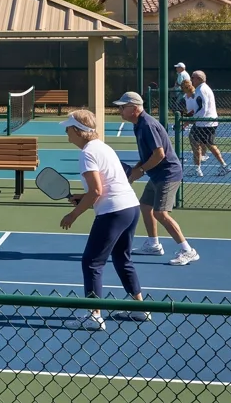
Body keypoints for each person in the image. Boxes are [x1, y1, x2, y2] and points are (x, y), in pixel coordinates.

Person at [57, 110, 148, 331]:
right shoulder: (103, 147)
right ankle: (139, 307)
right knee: (121, 258)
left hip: (114, 212)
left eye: (68, 128)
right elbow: (107, 183)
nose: (66, 133)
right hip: (130, 208)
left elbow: (96, 191)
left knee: (91, 262)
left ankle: (94, 315)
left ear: (78, 131)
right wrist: (82, 197)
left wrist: (74, 214)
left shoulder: (87, 153)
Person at [113, 91, 200, 266]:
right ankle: (153, 244)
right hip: (156, 174)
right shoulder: (138, 124)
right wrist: (136, 171)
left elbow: (159, 154)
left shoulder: (147, 125)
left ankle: (188, 250)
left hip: (168, 174)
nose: (120, 110)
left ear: (135, 108)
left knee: (160, 213)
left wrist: (141, 170)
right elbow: (148, 155)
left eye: (123, 107)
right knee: (146, 207)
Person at [191, 71, 230, 176]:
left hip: (204, 123)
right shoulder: (202, 89)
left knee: (198, 143)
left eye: (193, 78)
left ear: (199, 79)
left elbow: (202, 108)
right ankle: (222, 165)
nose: (191, 80)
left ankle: (198, 169)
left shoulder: (201, 90)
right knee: (207, 144)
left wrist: (191, 119)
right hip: (207, 122)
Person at [177, 79, 202, 173]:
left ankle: (198, 168)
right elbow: (190, 112)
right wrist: (186, 123)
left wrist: (186, 123)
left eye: (183, 87)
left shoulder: (195, 95)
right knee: (196, 144)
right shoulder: (185, 97)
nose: (181, 89)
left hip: (200, 121)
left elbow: (196, 110)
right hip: (194, 120)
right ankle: (198, 167)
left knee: (197, 144)